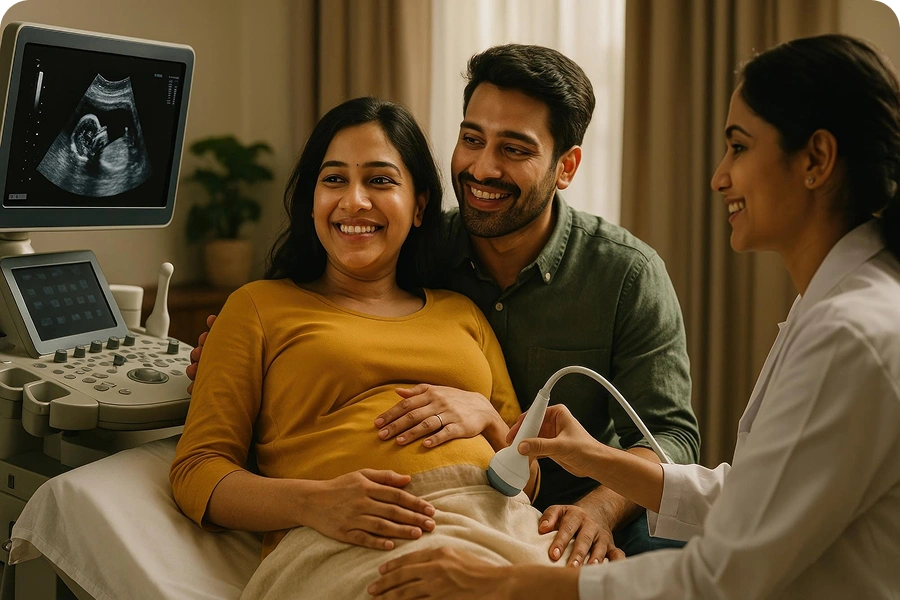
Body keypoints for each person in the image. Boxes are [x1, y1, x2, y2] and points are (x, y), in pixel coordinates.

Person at [367, 33, 900, 599]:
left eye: (739, 148)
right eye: (471, 138)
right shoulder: (415, 253)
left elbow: (721, 575)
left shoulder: (850, 333)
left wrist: (509, 581)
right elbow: (749, 496)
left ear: (816, 160)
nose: (719, 177)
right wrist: (597, 457)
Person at [187, 44, 701, 567]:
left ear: (565, 167)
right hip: (391, 525)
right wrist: (233, 356)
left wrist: (595, 507)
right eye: (471, 138)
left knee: (684, 561)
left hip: (562, 506)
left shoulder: (621, 273)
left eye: (515, 149)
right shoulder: (411, 252)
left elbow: (670, 438)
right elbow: (214, 451)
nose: (482, 168)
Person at [172, 97, 583, 599]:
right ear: (311, 199)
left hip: (500, 526)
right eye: (334, 179)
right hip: (354, 540)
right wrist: (314, 503)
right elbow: (197, 470)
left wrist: (490, 419)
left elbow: (528, 479)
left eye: (381, 180)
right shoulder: (258, 307)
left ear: (420, 206)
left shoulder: (463, 314)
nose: (354, 202)